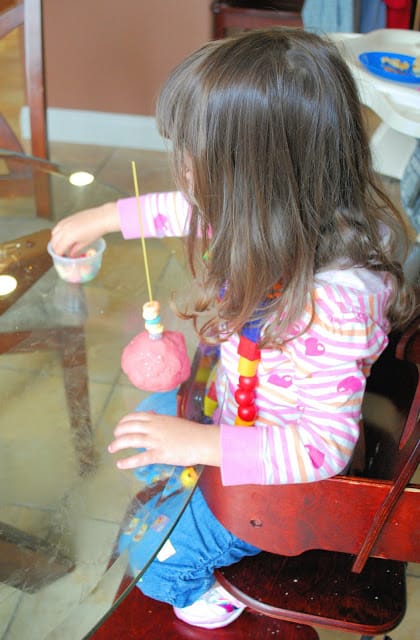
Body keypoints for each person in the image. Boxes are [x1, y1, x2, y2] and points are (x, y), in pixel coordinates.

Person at [50, 28, 416, 630]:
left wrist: (196, 445)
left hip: (279, 482)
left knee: (155, 563)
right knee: (149, 426)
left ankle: (210, 597)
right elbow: (187, 209)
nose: (186, 171)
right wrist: (103, 219)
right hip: (236, 409)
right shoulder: (285, 213)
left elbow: (320, 448)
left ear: (258, 181)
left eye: (197, 159)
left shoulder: (334, 305)